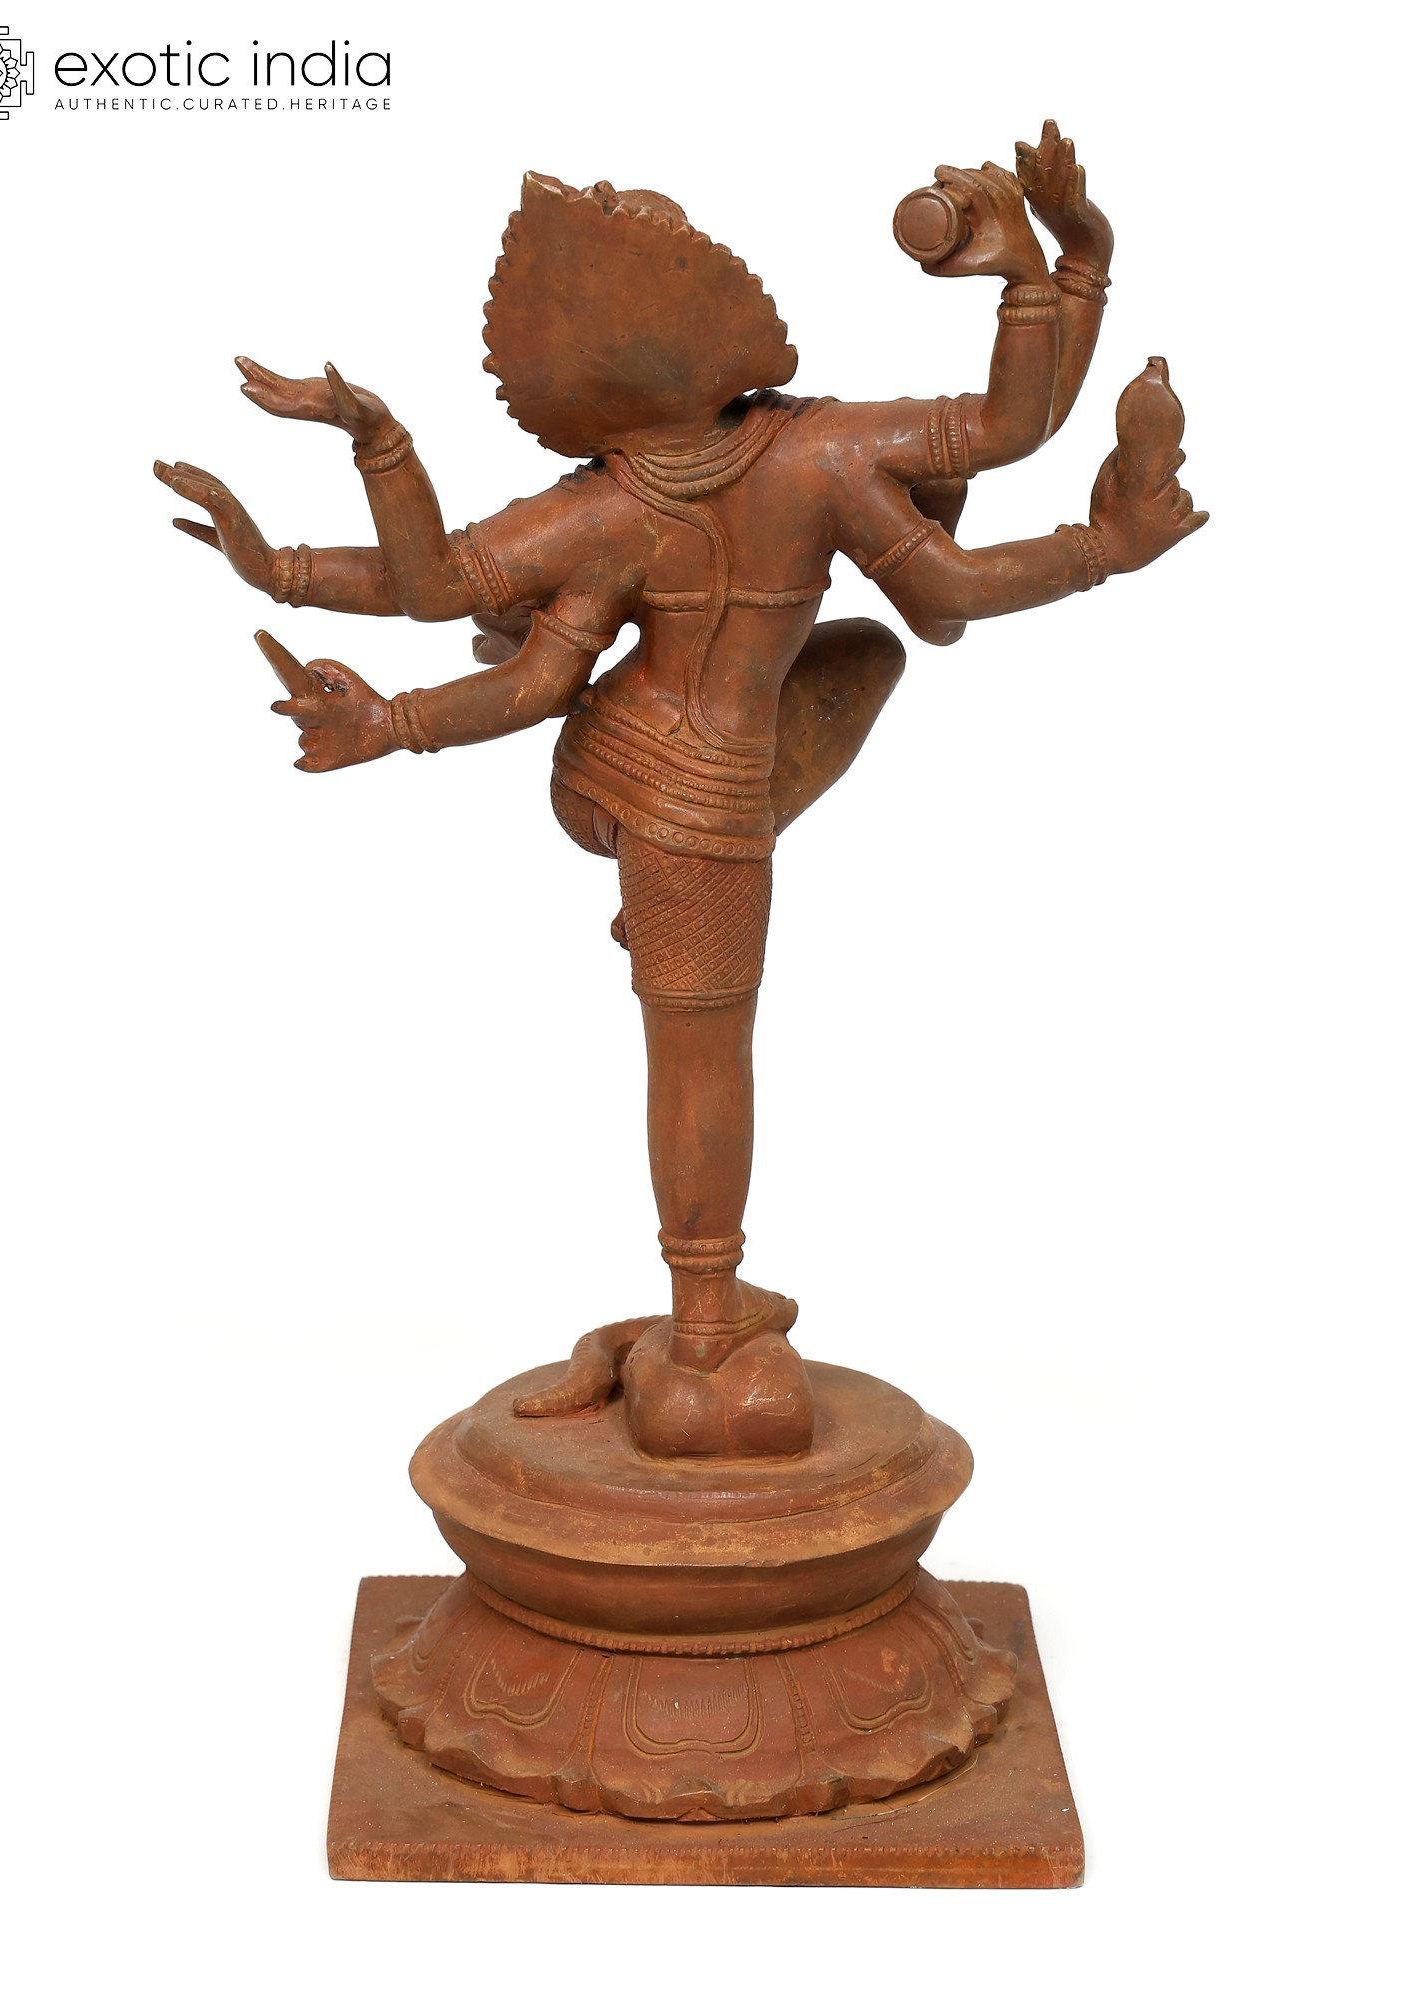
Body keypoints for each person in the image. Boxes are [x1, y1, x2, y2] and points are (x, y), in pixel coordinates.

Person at [155, 129, 1204, 1457]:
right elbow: (991, 491)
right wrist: (1100, 518)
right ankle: (704, 1325)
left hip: (626, 767)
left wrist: (1062, 269)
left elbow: (454, 601)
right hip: (686, 814)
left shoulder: (684, 485)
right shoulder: (803, 458)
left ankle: (690, 1255)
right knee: (702, 1044)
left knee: (864, 654)